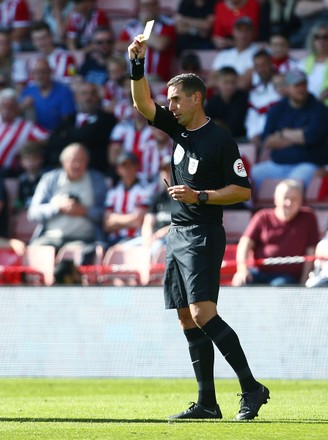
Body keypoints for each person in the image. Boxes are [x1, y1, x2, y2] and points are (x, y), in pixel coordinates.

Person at [128, 33, 269, 421]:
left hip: (204, 232)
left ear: (196, 99)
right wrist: (136, 63)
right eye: (169, 99)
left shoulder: (220, 140)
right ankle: (207, 402)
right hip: (177, 233)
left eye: (176, 98)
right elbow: (142, 104)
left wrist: (200, 196)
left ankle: (251, 388)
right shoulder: (178, 131)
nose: (169, 105)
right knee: (186, 317)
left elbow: (242, 190)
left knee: (203, 312)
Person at [28, 143, 107, 264]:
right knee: (35, 255)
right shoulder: (50, 179)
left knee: (77, 257)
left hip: (83, 241)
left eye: (81, 160)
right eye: (72, 161)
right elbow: (33, 213)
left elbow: (107, 215)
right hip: (50, 239)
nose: (77, 165)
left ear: (87, 162)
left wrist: (84, 211)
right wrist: (58, 207)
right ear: (63, 162)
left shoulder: (97, 181)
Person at [252, 69, 328, 193]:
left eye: (303, 84)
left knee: (291, 185)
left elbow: (310, 137)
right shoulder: (277, 109)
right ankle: (245, 211)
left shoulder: (319, 109)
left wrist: (282, 133)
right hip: (277, 165)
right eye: (296, 85)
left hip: (307, 164)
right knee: (251, 174)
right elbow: (266, 140)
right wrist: (298, 135)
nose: (301, 88)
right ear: (287, 87)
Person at [232, 179, 319, 286]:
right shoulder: (262, 216)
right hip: (259, 272)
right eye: (285, 198)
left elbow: (311, 252)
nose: (289, 203)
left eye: (294, 199)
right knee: (240, 282)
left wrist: (304, 281)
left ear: (301, 201)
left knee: (278, 286)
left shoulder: (308, 218)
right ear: (276, 199)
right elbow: (244, 244)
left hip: (287, 277)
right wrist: (242, 270)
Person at [46, 81, 117, 174]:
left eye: (93, 94)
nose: (88, 98)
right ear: (76, 97)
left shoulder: (108, 119)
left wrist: (68, 137)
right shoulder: (68, 120)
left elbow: (91, 136)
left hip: (96, 173)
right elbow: (53, 142)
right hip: (67, 172)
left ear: (98, 98)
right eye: (84, 94)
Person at [116, 0, 176, 82]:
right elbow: (119, 46)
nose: (148, 9)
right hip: (132, 79)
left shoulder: (167, 24)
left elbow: (160, 45)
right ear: (139, 8)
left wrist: (146, 25)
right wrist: (145, 41)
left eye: (151, 5)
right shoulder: (131, 25)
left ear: (157, 7)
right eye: (144, 6)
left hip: (157, 80)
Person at [103, 151, 152, 248]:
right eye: (123, 166)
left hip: (136, 240)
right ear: (118, 169)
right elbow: (106, 225)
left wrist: (115, 219)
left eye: (130, 165)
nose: (127, 169)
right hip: (114, 240)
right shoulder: (112, 193)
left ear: (136, 167)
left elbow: (138, 221)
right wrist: (130, 219)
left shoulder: (145, 191)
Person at [0, 88, 48, 177]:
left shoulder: (26, 127)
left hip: (7, 174)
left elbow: (47, 137)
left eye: (10, 107)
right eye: (3, 106)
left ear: (17, 108)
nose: (6, 110)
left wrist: (28, 145)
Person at [19, 57, 76, 132]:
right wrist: (23, 106)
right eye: (36, 72)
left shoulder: (64, 91)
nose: (39, 76)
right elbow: (16, 114)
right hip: (32, 135)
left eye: (43, 72)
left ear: (50, 72)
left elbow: (67, 120)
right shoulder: (28, 91)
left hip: (56, 135)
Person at [244, 49, 281, 148]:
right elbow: (251, 117)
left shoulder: (282, 87)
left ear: (271, 64)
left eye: (264, 65)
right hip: (256, 140)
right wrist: (252, 134)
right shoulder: (254, 91)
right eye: (257, 66)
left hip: (277, 139)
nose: (261, 69)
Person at [205, 66, 248, 140]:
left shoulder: (243, 99)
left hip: (240, 140)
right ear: (218, 82)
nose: (230, 86)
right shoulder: (211, 103)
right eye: (226, 82)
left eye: (233, 83)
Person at [29, 21, 77, 85]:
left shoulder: (68, 57)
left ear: (51, 37)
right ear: (33, 42)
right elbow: (32, 85)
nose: (41, 43)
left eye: (44, 38)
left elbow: (74, 79)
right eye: (37, 39)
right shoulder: (32, 61)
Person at [297, 21, 328, 106]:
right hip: (306, 107)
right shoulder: (303, 63)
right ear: (312, 39)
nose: (321, 40)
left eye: (325, 37)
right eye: (317, 37)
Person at [16, 141, 45, 210]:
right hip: (24, 213)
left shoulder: (46, 177)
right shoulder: (20, 179)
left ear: (40, 159)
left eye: (34, 158)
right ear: (21, 161)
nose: (31, 162)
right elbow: (18, 200)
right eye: (27, 158)